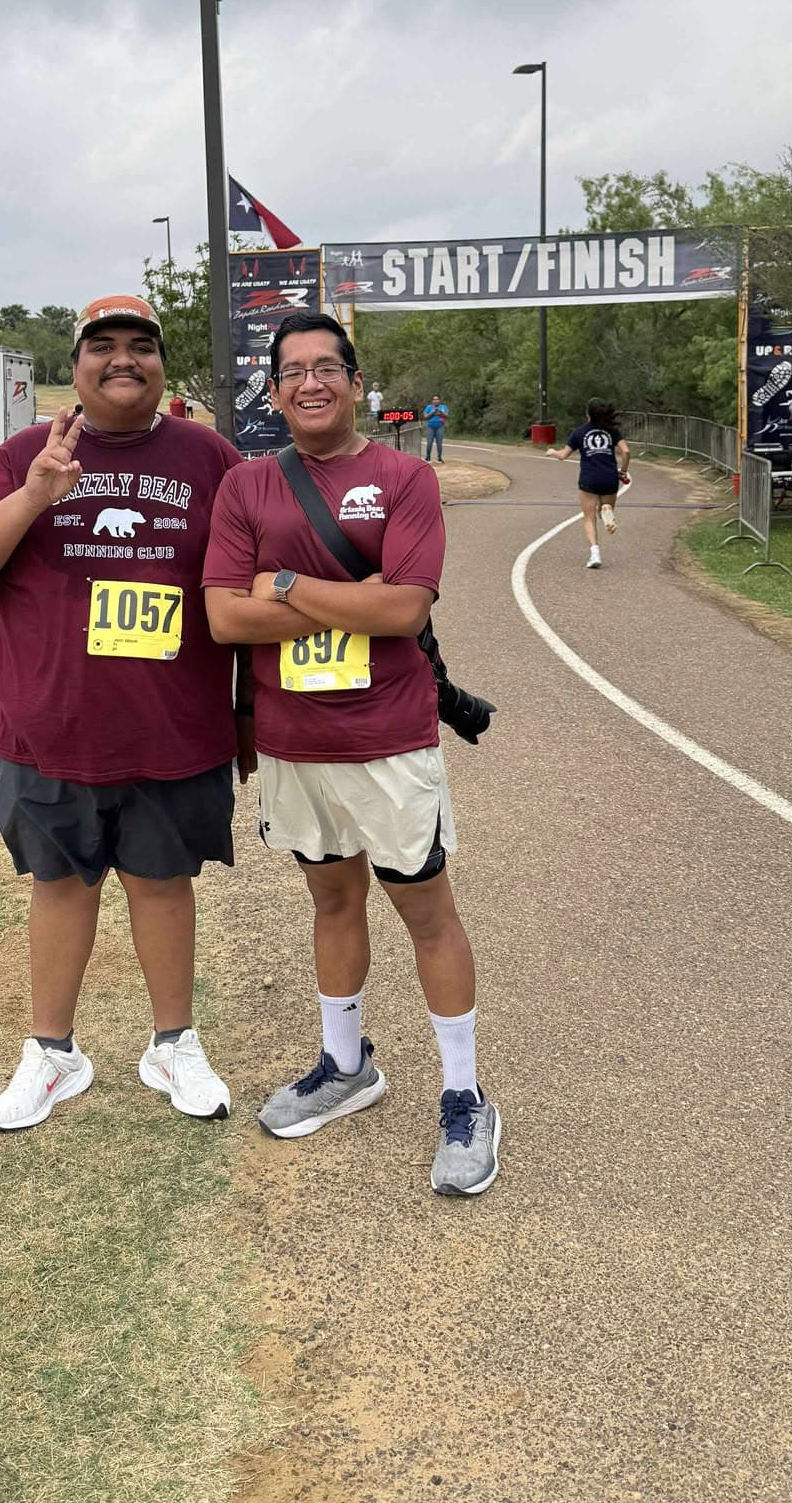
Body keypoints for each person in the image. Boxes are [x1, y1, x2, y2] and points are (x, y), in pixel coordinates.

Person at [0, 293, 251, 1135]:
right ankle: (52, 1054)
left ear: (160, 363)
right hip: (49, 725)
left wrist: (251, 718)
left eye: (140, 345)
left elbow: (253, 579)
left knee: (163, 884)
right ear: (74, 366)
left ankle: (172, 1043)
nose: (123, 360)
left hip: (174, 725)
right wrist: (34, 496)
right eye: (102, 346)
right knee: (61, 884)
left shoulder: (209, 457)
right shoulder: (27, 453)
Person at [202, 312, 499, 1198]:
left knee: (425, 911)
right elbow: (224, 618)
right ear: (274, 389)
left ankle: (464, 1093)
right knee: (332, 901)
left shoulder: (404, 478)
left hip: (388, 739)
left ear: (356, 381)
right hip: (295, 743)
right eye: (290, 371)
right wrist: (349, 597)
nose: (309, 383)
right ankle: (346, 1066)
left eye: (325, 366)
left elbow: (406, 611)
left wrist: (286, 585)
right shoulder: (247, 488)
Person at [546, 398, 630, 568]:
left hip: (589, 478)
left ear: (587, 414)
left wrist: (552, 452)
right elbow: (626, 451)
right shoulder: (612, 431)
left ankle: (595, 553)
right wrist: (624, 470)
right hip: (609, 477)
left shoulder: (579, 432)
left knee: (589, 517)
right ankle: (606, 510)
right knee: (603, 512)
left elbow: (563, 455)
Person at [422, 395, 449, 462]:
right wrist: (432, 413)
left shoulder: (443, 407)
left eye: (437, 399)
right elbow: (425, 417)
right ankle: (428, 458)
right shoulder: (429, 407)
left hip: (440, 426)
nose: (435, 401)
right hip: (430, 427)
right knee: (429, 443)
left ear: (439, 400)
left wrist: (441, 413)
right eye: (434, 399)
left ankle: (439, 458)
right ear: (432, 401)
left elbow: (447, 416)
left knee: (439, 443)